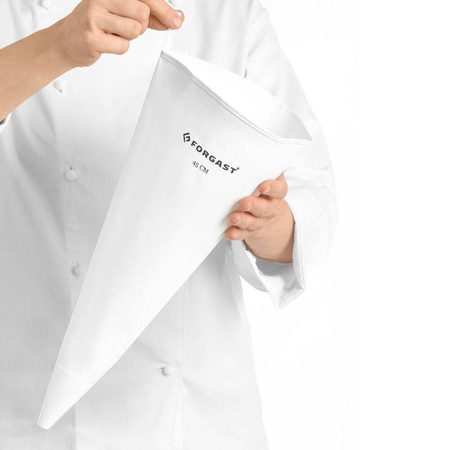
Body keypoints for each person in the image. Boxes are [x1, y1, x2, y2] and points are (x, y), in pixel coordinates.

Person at [0, 0, 338, 448]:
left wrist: (266, 223)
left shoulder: (227, 14)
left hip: (190, 419)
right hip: (23, 401)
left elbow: (309, 194)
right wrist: (58, 46)